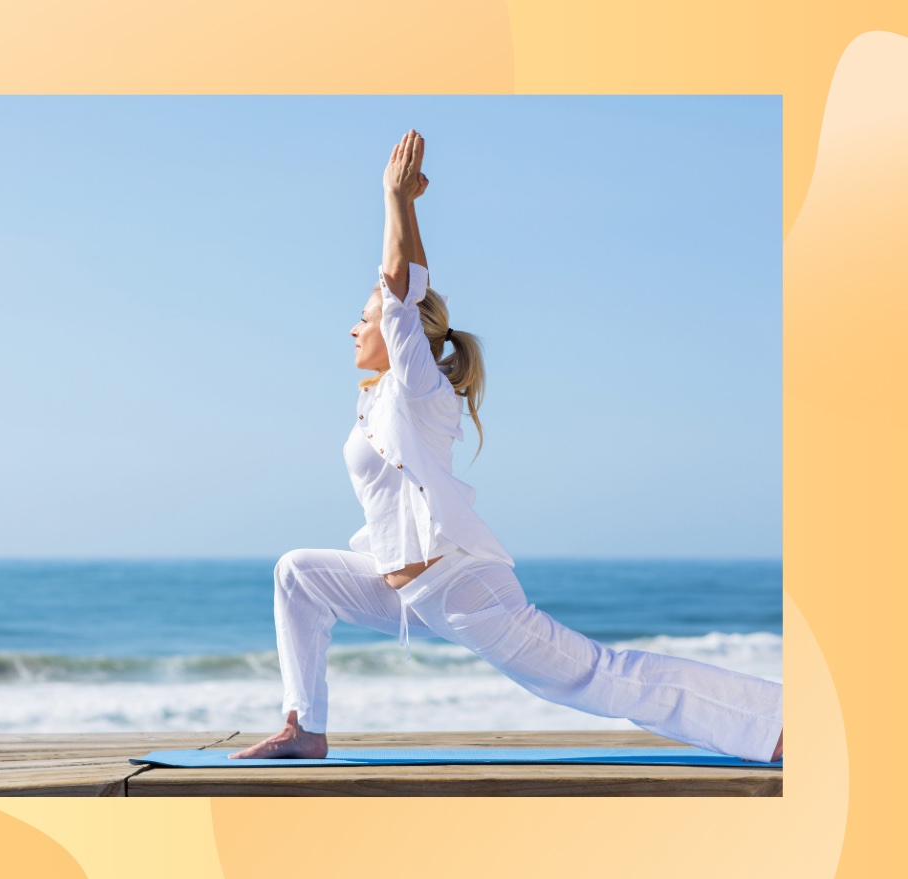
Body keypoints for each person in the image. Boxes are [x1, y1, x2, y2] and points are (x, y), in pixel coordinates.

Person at [229, 129, 784, 764]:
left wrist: (398, 203)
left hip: (465, 590)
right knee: (298, 572)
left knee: (601, 678)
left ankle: (775, 723)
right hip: (407, 590)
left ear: (398, 330)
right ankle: (304, 727)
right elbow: (398, 298)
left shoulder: (421, 387)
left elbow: (399, 292)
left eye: (367, 317)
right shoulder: (379, 399)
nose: (355, 326)